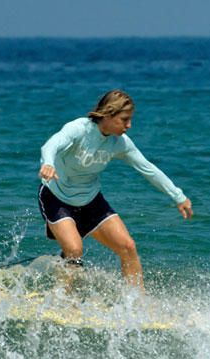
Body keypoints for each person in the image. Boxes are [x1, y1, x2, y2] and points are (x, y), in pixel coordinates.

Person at [37, 89, 193, 288]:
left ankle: (137, 303)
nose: (129, 125)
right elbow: (51, 145)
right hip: (56, 197)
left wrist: (178, 196)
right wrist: (48, 163)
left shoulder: (119, 143)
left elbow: (148, 169)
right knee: (75, 250)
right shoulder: (79, 129)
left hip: (90, 199)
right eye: (124, 119)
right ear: (108, 114)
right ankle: (65, 301)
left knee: (127, 247)